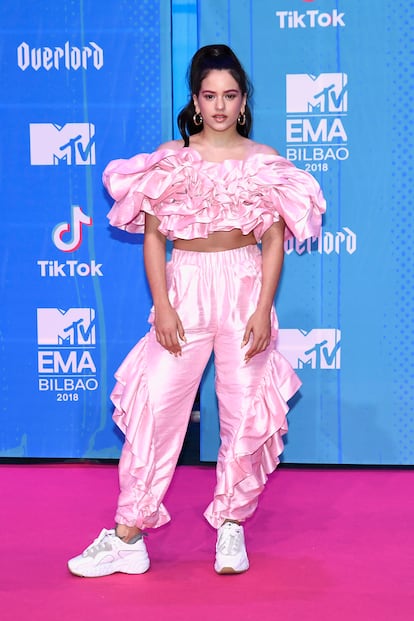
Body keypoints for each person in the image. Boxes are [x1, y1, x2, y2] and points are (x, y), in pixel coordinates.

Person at [68, 44, 325, 578]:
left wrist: (262, 308)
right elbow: (154, 238)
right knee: (155, 408)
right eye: (210, 96)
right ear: (195, 99)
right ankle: (128, 536)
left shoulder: (264, 161)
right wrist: (162, 305)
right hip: (184, 288)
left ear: (244, 99)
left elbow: (273, 239)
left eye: (230, 95)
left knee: (245, 409)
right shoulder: (171, 159)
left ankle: (231, 527)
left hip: (244, 286)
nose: (220, 106)